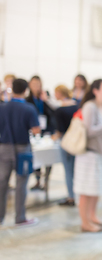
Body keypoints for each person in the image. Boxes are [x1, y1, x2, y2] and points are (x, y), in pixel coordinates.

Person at [0, 79, 40, 227]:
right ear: (26, 90)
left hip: (4, 147)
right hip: (22, 149)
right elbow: (36, 130)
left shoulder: (2, 107)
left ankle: (0, 217)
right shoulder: (29, 109)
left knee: (2, 183)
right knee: (21, 183)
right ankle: (20, 217)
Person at [73, 79, 102, 233]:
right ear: (95, 90)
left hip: (100, 154)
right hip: (88, 154)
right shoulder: (90, 106)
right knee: (86, 190)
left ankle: (92, 216)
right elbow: (89, 131)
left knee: (96, 188)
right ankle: (85, 223)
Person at [26, 75, 55, 191]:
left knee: (49, 155)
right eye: (34, 85)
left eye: (38, 84)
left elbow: (53, 111)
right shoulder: (28, 100)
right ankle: (38, 180)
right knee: (36, 156)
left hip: (46, 129)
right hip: (34, 130)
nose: (36, 87)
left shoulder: (46, 97)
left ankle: (46, 180)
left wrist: (46, 100)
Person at [52, 85, 79, 206]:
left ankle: (71, 197)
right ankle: (77, 194)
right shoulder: (77, 106)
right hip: (77, 140)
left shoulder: (60, 110)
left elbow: (60, 131)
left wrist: (53, 137)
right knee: (76, 169)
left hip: (66, 141)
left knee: (68, 170)